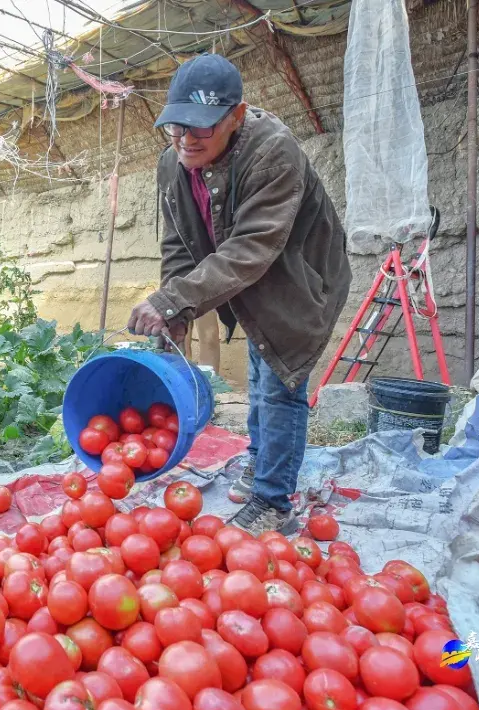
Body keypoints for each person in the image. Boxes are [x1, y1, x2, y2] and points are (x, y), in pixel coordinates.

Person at [127, 53, 351, 535]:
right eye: (176, 126)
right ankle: (258, 461)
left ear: (237, 116)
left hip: (298, 280)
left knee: (279, 383)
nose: (186, 139)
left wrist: (174, 301)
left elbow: (254, 247)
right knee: (257, 373)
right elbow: (180, 243)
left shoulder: (274, 152)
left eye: (201, 128)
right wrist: (176, 307)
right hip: (248, 279)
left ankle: (274, 501)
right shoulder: (174, 164)